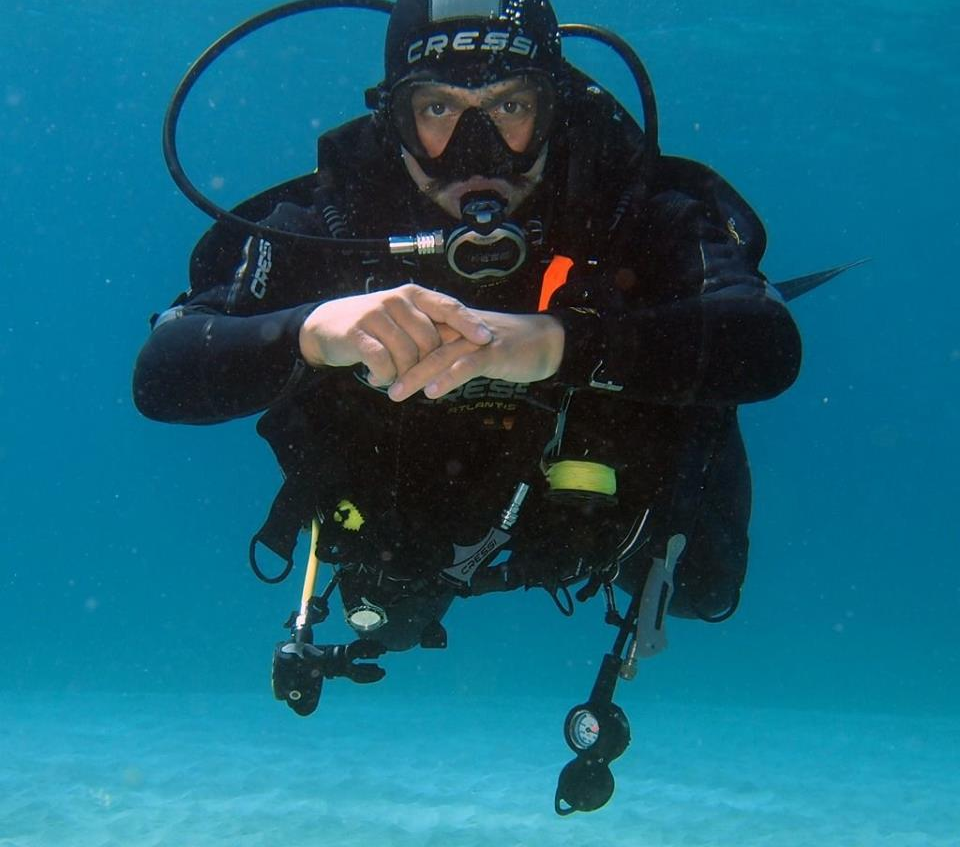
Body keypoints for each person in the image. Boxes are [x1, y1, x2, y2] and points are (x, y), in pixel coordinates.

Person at [135, 0, 799, 723]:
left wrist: (556, 345)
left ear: (557, 108)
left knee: (706, 585)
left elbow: (765, 341)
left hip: (597, 510)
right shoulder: (328, 222)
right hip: (402, 523)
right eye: (438, 108)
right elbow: (163, 372)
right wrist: (313, 329)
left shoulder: (633, 204)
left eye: (510, 105)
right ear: (394, 117)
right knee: (390, 589)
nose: (476, 149)